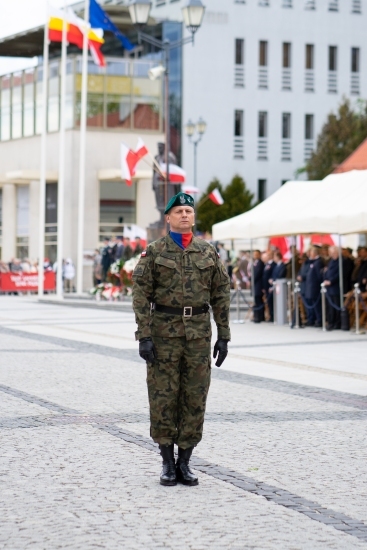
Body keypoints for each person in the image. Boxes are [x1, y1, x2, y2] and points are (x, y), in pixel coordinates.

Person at [132, 192, 230, 487]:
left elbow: (221, 294)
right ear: (169, 218)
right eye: (179, 211)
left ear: (193, 217)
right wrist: (144, 336)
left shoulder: (208, 252)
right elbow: (139, 294)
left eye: (189, 211)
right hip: (164, 335)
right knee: (163, 397)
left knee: (195, 396)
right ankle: (166, 461)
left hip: (198, 337)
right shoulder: (154, 252)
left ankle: (185, 461)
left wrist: (224, 336)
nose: (185, 215)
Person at [305, 246, 323, 327]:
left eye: (311, 253)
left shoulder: (318, 262)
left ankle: (319, 320)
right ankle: (314, 319)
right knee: (313, 305)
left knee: (317, 305)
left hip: (315, 287)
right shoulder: (312, 262)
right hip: (311, 286)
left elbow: (319, 275)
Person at [323, 246, 341, 330]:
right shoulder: (331, 261)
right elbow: (327, 271)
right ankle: (331, 322)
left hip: (335, 287)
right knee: (330, 306)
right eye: (331, 252)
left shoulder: (341, 261)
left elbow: (339, 274)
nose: (332, 254)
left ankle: (336, 323)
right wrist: (326, 279)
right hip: (329, 287)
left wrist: (331, 281)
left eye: (334, 252)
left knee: (336, 305)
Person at [251, 250, 264, 323]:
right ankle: (256, 315)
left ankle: (260, 316)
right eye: (254, 254)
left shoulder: (260, 263)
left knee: (259, 301)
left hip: (258, 284)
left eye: (256, 254)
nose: (255, 256)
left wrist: (252, 279)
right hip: (255, 284)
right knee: (256, 300)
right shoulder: (255, 263)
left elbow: (257, 274)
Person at [262, 251, 275, 322]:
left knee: (272, 302)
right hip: (266, 286)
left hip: (271, 286)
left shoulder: (273, 264)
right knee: (269, 303)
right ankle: (270, 315)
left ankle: (273, 316)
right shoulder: (266, 264)